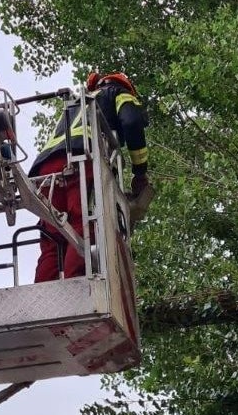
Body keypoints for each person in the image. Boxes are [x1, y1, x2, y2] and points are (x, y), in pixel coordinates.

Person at [31, 71, 150, 282]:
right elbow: (131, 123)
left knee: (53, 236)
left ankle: (43, 291)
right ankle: (78, 287)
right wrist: (140, 173)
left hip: (46, 168)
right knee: (84, 224)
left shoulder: (76, 103)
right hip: (83, 161)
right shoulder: (118, 93)